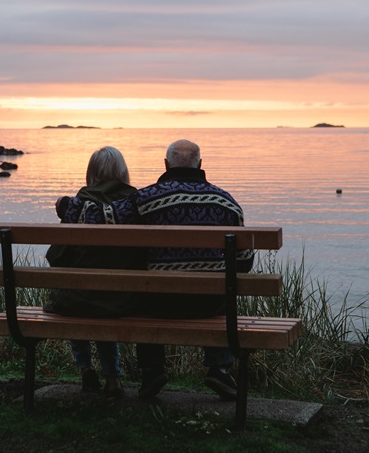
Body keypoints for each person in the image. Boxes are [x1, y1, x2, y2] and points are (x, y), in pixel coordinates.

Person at [56, 139, 254, 401]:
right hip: (211, 305)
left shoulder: (147, 198)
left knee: (143, 294)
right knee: (223, 289)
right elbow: (243, 264)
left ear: (166, 164)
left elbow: (100, 217)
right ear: (201, 165)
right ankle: (219, 367)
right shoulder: (227, 203)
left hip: (161, 304)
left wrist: (64, 205)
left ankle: (153, 369)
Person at [44, 146, 146, 398]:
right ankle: (112, 377)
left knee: (76, 296)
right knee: (103, 298)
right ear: (123, 172)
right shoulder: (135, 205)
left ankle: (85, 368)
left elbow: (55, 256)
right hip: (122, 300)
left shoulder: (76, 207)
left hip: (76, 301)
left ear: (91, 173)